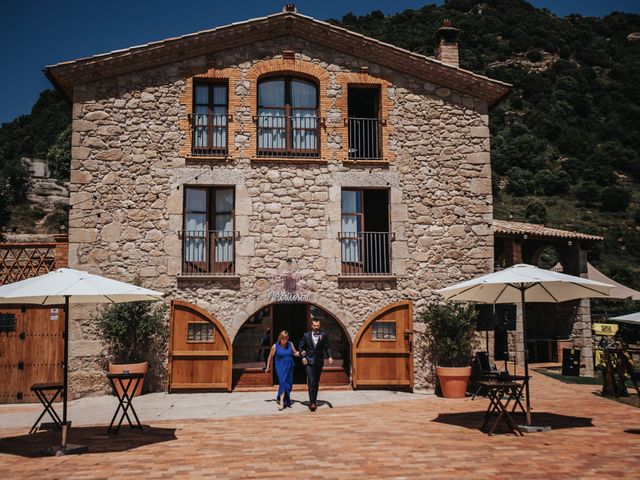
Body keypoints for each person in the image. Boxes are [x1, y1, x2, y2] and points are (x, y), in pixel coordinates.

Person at [299, 319, 333, 411]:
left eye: (318, 325)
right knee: (311, 380)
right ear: (311, 326)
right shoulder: (306, 335)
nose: (316, 327)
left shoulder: (324, 335)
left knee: (316, 381)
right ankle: (312, 403)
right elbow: (301, 347)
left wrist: (329, 356)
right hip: (309, 361)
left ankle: (314, 399)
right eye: (315, 325)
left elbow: (327, 347)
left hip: (319, 361)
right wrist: (303, 357)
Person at [265, 330, 300, 410]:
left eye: (286, 339)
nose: (285, 340)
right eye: (283, 339)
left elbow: (294, 353)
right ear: (280, 338)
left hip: (289, 366)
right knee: (282, 383)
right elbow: (270, 357)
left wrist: (301, 353)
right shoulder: (275, 346)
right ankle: (281, 403)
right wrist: (268, 367)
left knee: (289, 385)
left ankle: (282, 398)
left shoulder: (290, 344)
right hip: (280, 366)